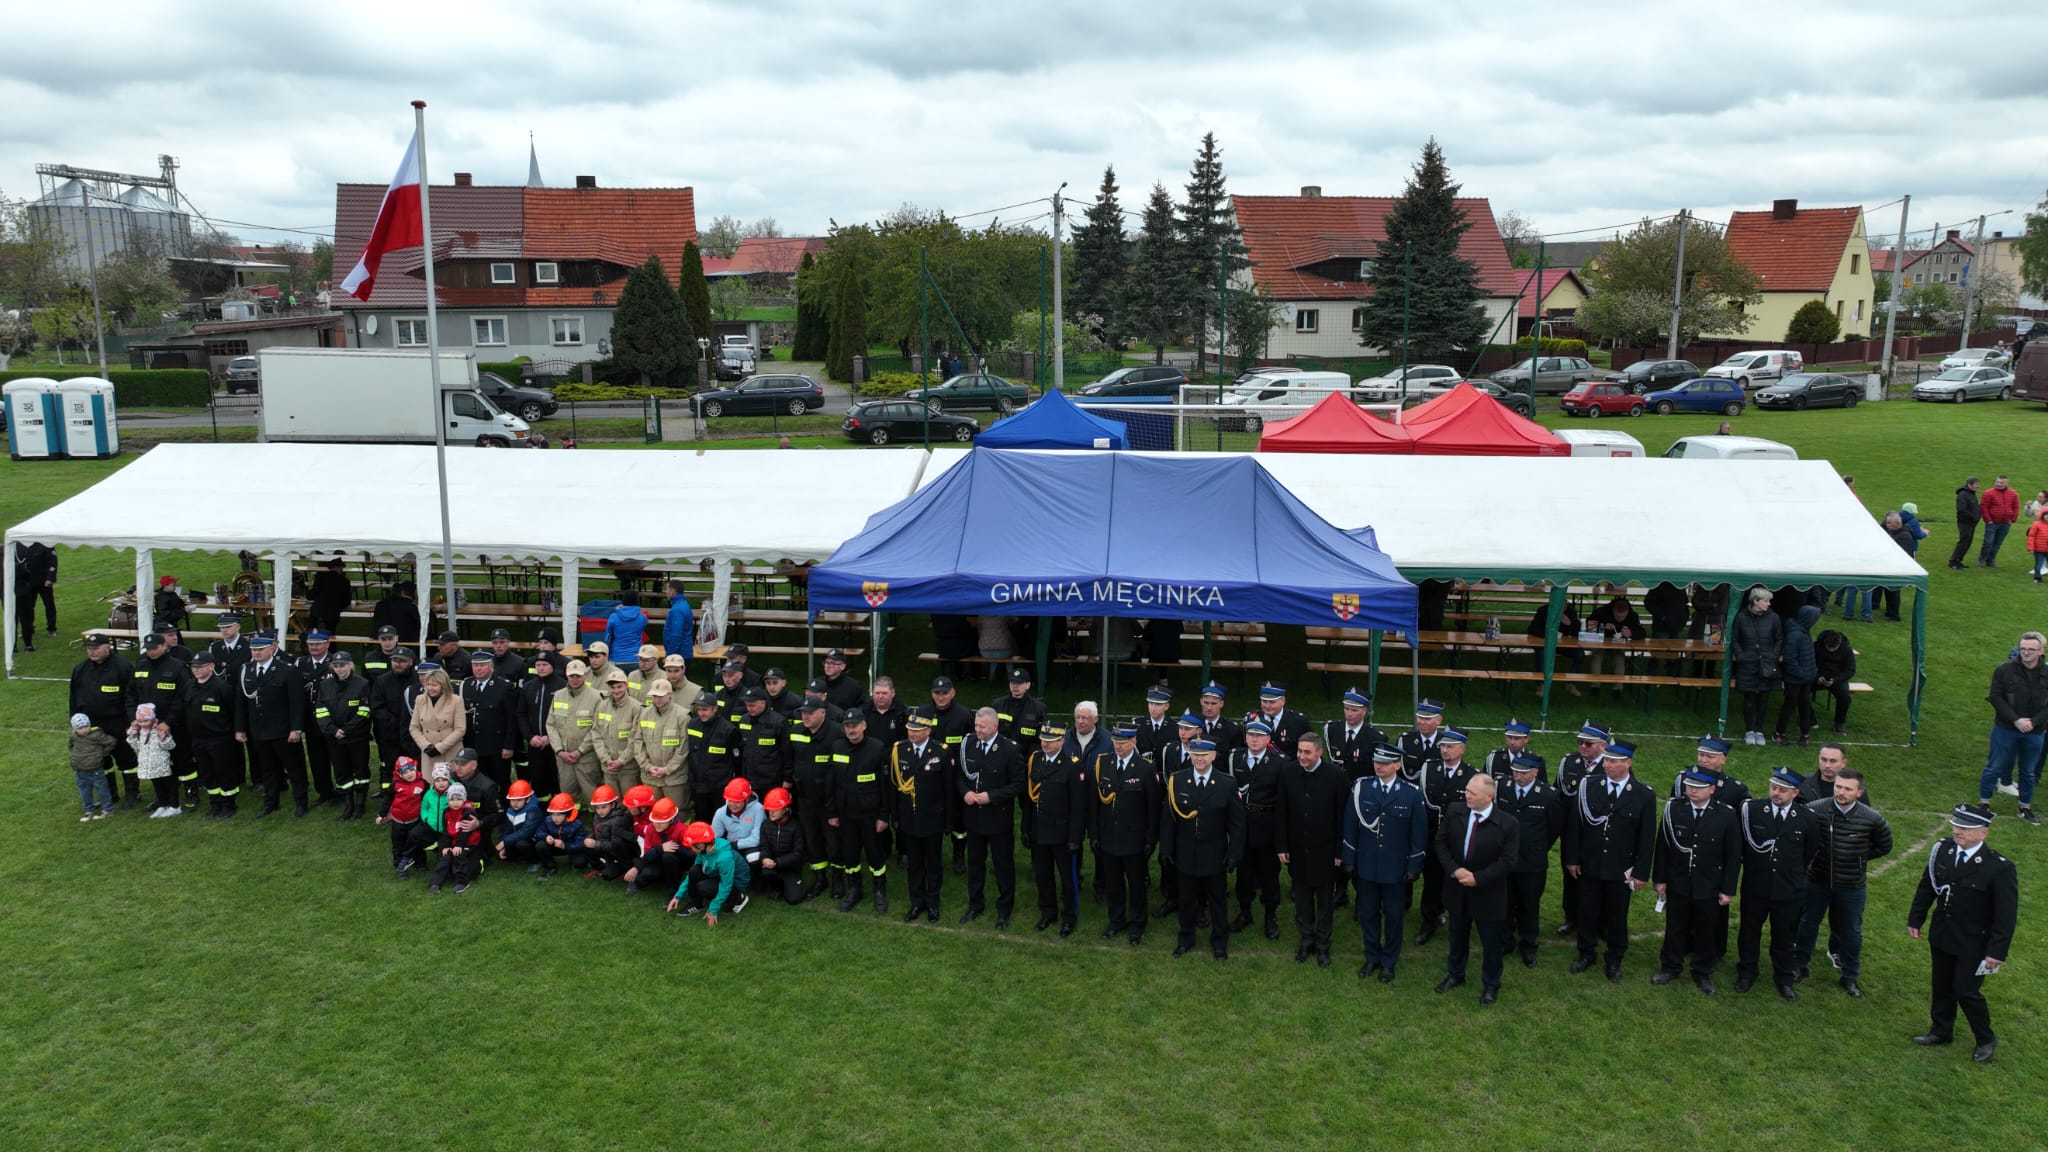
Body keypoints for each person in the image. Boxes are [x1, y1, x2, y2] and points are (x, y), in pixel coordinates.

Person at [1908, 803, 2018, 1064]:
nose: (1958, 831)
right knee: (1942, 985)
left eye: (1966, 828)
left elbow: (2005, 915)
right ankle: (1941, 1030)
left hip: (1974, 941)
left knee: (1966, 991)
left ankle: (1985, 1039)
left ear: (1983, 833)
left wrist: (1997, 951)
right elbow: (1928, 887)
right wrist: (1916, 918)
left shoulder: (1999, 867)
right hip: (1943, 933)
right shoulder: (1944, 851)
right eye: (1956, 825)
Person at [1794, 767, 1891, 997]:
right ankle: (1799, 966)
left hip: (1851, 886)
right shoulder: (1815, 809)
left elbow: (1884, 846)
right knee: (1807, 924)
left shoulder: (1872, 818)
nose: (1841, 792)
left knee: (1851, 932)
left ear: (1859, 792)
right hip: (1816, 880)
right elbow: (1800, 838)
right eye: (1838, 787)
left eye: (1848, 789)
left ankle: (1849, 976)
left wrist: (1857, 858)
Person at [1565, 741, 1657, 982]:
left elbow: (1646, 838)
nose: (1608, 765)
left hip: (1620, 869)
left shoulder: (1643, 795)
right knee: (1587, 911)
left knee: (1617, 916)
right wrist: (1572, 859)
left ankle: (1614, 959)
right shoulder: (1589, 786)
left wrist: (1640, 873)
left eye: (1614, 761)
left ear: (1628, 763)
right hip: (1590, 864)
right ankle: (1586, 953)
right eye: (1606, 760)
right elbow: (1575, 825)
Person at [1652, 769, 1741, 995]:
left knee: (1706, 929)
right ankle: (1670, 966)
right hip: (1679, 880)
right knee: (1675, 926)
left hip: (1709, 884)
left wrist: (1727, 889)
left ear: (1711, 789)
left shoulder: (1726, 815)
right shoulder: (1674, 809)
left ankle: (1702, 971)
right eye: (1689, 786)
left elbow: (1733, 856)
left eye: (1698, 787)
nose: (1692, 790)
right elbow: (1663, 847)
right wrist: (1660, 879)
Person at [1343, 744, 1427, 982]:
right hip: (1367, 865)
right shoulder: (1361, 788)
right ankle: (1372, 957)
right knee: (1368, 914)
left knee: (1394, 917)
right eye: (1376, 762)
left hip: (1395, 869)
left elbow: (1418, 834)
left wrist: (1414, 866)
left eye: (1384, 763)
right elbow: (1350, 825)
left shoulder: (1411, 794)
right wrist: (1349, 858)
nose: (1378, 766)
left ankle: (1389, 961)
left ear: (1397, 765)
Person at [1435, 774, 1519, 1004]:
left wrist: (1478, 878)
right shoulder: (1455, 811)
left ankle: (1491, 984)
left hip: (1488, 894)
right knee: (1457, 937)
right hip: (1457, 888)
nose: (1467, 795)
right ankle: (1455, 974)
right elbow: (1440, 843)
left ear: (1489, 797)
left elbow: (1508, 861)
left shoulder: (1507, 823)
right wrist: (1455, 870)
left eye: (1473, 793)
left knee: (1491, 943)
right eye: (1466, 790)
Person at [1736, 766, 1818, 1000]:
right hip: (1756, 886)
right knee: (1749, 932)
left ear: (1795, 793)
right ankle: (1746, 973)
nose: (1776, 793)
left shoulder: (1808, 818)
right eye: (1773, 787)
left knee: (1784, 937)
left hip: (1788, 890)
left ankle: (1784, 978)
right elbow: (1742, 846)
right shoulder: (1752, 810)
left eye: (1782, 790)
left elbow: (1809, 852)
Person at [1161, 738, 1245, 960]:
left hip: (1215, 854)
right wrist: (1166, 850)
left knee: (1217, 901)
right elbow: (1169, 820)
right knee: (1186, 900)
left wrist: (1234, 853)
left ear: (1213, 756)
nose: (1199, 758)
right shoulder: (1177, 781)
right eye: (1195, 754)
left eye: (1204, 754)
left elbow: (1237, 823)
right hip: (1185, 853)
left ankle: (1219, 942)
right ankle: (1185, 938)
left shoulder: (1227, 783)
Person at [1092, 718, 1160, 945]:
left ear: (1134, 741)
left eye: (1123, 741)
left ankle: (1138, 924)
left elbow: (1153, 807)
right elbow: (1095, 803)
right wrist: (1095, 834)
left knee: (1136, 884)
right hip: (1109, 836)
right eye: (1115, 741)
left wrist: (1151, 838)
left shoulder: (1145, 768)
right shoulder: (1104, 763)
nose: (1118, 746)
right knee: (1113, 883)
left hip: (1134, 838)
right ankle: (1116, 920)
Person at [957, 706, 1022, 928]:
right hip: (973, 818)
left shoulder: (1010, 749)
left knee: (1003, 866)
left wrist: (991, 797)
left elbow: (1018, 784)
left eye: (982, 727)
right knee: (975, 865)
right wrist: (965, 793)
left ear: (995, 726)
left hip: (998, 819)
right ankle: (975, 905)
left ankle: (1004, 910)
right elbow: (960, 775)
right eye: (976, 725)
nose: (978, 730)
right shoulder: (969, 744)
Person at [1497, 751, 1563, 968]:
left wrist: (1537, 848)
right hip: (1506, 859)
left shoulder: (1549, 796)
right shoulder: (1502, 787)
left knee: (1529, 905)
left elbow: (1553, 828)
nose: (1517, 776)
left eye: (1523, 773)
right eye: (1515, 771)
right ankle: (1505, 941)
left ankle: (1528, 945)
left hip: (1532, 863)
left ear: (1535, 772)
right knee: (1505, 903)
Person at [1021, 722, 1085, 936]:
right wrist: (1025, 828)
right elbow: (1029, 800)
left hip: (1062, 834)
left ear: (1061, 741)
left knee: (1068, 880)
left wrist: (1075, 838)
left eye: (1050, 741)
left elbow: (1078, 806)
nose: (1045, 744)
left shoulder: (1072, 765)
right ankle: (1048, 913)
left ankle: (1069, 917)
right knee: (1043, 876)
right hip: (1039, 831)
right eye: (1043, 740)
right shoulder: (1035, 760)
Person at [1978, 631, 2048, 825]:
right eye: (2023, 648)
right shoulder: (2004, 670)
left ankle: (2025, 807)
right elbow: (1995, 697)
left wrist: (2034, 722)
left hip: (2034, 731)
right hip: (2005, 728)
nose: (2026, 653)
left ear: (2041, 651)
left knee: (2028, 771)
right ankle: (1984, 804)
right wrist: (2016, 720)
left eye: (2031, 649)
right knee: (1993, 767)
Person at [827, 709, 892, 914]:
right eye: (847, 726)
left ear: (864, 726)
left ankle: (880, 890)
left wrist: (883, 816)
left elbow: (885, 787)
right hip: (846, 814)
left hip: (870, 814)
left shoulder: (877, 748)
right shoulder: (837, 747)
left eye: (855, 726)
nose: (851, 730)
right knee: (850, 855)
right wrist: (832, 812)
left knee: (875, 855)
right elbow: (831, 782)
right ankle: (855, 889)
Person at [237, 632, 307, 819]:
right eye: (254, 649)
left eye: (261, 649)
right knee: (267, 770)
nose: (257, 653)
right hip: (259, 730)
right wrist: (240, 728)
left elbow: (297, 702)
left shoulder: (287, 669)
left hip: (283, 730)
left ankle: (301, 803)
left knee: (294, 769)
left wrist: (296, 728)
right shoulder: (247, 670)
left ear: (272, 648)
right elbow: (241, 702)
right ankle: (271, 803)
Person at [891, 710, 952, 924]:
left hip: (933, 818)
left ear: (928, 731)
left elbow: (948, 790)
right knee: (914, 864)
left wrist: (948, 821)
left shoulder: (941, 751)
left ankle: (933, 903)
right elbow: (894, 787)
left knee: (933, 864)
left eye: (917, 730)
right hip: (909, 818)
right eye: (909, 729)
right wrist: (895, 816)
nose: (912, 733)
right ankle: (917, 902)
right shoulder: (899, 749)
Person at [1228, 719, 1285, 940]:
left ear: (1268, 739)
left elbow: (1283, 800)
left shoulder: (1279, 763)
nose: (1254, 739)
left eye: (1259, 736)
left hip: (1267, 825)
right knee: (1243, 872)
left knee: (1269, 873)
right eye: (1251, 735)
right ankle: (1245, 912)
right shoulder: (1235, 758)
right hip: (1242, 825)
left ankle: (1270, 915)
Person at [68, 633, 136, 808]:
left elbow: (131, 695)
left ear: (108, 647)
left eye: (96, 648)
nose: (92, 651)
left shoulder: (122, 667)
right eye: (89, 648)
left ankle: (132, 794)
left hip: (118, 722)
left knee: (126, 759)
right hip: (92, 725)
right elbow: (74, 697)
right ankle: (110, 795)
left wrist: (131, 721)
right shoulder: (81, 669)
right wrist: (74, 720)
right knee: (100, 761)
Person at [1553, 722, 1608, 935]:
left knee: (1597, 879)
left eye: (1588, 743)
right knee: (1571, 876)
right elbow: (1558, 796)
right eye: (1580, 742)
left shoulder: (1612, 765)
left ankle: (1598, 922)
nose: (1583, 746)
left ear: (1603, 745)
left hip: (1598, 835)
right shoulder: (1569, 762)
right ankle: (1572, 917)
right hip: (1570, 833)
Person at [789, 698, 841, 901]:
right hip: (805, 797)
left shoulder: (837, 733)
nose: (805, 716)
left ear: (823, 713)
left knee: (834, 843)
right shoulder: (796, 731)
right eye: (803, 713)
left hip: (829, 800)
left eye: (810, 713)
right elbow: (789, 758)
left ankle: (837, 878)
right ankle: (820, 878)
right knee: (812, 841)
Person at [316, 651, 375, 821]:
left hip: (357, 738)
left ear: (350, 665)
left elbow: (364, 711)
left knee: (361, 771)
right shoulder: (325, 685)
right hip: (334, 738)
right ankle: (348, 805)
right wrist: (333, 730)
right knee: (341, 772)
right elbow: (320, 710)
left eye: (342, 665)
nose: (339, 669)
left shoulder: (362, 684)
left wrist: (346, 730)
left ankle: (360, 805)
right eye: (336, 666)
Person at [182, 652, 241, 819]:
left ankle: (229, 805)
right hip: (198, 738)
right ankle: (215, 803)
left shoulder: (221, 687)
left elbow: (234, 712)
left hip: (219, 738)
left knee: (224, 772)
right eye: (193, 666)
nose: (196, 670)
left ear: (211, 666)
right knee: (207, 773)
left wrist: (237, 731)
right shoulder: (189, 685)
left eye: (200, 666)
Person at [667, 821, 751, 924]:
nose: (692, 849)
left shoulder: (724, 858)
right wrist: (678, 896)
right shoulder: (704, 850)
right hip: (717, 874)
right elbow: (692, 873)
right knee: (694, 871)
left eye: (694, 846)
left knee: (704, 887)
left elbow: (726, 884)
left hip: (735, 882)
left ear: (704, 843)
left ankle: (738, 898)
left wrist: (713, 908)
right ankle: (697, 903)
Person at [1731, 587, 1783, 746]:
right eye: (1766, 601)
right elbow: (1735, 639)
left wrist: (1773, 655)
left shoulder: (1773, 617)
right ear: (1755, 601)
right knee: (1749, 698)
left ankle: (1759, 730)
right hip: (1748, 664)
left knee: (1764, 698)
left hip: (1766, 664)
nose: (1769, 604)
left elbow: (1779, 639)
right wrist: (1741, 656)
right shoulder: (1741, 617)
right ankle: (1749, 730)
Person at [546, 659, 603, 801]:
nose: (575, 679)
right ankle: (573, 814)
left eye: (578, 676)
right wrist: (559, 751)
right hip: (564, 758)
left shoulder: (596, 697)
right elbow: (551, 725)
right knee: (567, 794)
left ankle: (593, 814)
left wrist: (580, 751)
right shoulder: (558, 695)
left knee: (592, 794)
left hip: (587, 757)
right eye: (572, 676)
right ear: (567, 675)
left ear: (585, 675)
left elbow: (598, 728)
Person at [586, 667, 643, 797]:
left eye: (619, 686)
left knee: (630, 801)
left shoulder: (636, 708)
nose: (616, 690)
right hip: (608, 767)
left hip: (628, 768)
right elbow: (596, 735)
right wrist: (605, 759)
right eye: (612, 687)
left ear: (626, 685)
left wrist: (621, 760)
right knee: (612, 801)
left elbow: (636, 739)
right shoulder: (602, 706)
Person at [635, 679, 692, 810]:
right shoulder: (644, 714)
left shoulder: (682, 716)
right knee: (653, 810)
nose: (657, 699)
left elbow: (683, 748)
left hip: (674, 779)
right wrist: (647, 766)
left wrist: (667, 769)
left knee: (677, 811)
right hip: (650, 777)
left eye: (661, 696)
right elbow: (638, 742)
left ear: (670, 694)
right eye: (654, 696)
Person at [515, 650, 564, 797]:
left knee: (557, 779)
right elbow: (521, 713)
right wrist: (530, 737)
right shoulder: (529, 686)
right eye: (538, 665)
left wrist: (551, 737)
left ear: (552, 666)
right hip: (534, 744)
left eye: (545, 664)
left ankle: (558, 807)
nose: (541, 668)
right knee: (538, 780)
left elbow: (565, 718)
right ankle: (542, 807)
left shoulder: (562, 686)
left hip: (556, 744)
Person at [1773, 605, 1820, 746]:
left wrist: (1811, 672)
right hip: (1795, 679)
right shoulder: (1795, 635)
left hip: (1806, 677)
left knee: (1804, 705)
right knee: (1789, 705)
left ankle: (1805, 734)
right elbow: (1790, 659)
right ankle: (1779, 733)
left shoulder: (1805, 632)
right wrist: (1802, 673)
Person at [374, 756, 428, 877]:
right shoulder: (395, 785)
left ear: (416, 769)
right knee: (398, 844)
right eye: (405, 772)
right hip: (398, 822)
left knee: (416, 843)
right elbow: (387, 800)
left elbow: (428, 798)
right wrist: (381, 814)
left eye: (411, 770)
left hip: (414, 821)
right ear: (399, 774)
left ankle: (420, 864)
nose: (409, 774)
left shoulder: (422, 783)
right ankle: (399, 866)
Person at [430, 782, 482, 895]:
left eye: (459, 799)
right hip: (454, 842)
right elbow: (445, 831)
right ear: (448, 800)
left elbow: (465, 831)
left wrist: (459, 845)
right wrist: (445, 846)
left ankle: (462, 882)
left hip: (468, 842)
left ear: (464, 799)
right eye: (452, 799)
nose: (455, 802)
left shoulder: (468, 812)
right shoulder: (446, 812)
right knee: (445, 857)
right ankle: (435, 883)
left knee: (460, 855)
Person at [755, 788, 806, 903]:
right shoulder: (765, 824)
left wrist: (777, 862)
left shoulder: (796, 825)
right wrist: (765, 858)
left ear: (785, 809)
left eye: (775, 809)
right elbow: (764, 846)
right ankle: (778, 887)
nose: (771, 812)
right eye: (769, 809)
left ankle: (788, 884)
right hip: (773, 865)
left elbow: (798, 853)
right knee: (765, 873)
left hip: (791, 867)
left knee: (794, 899)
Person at [407, 664, 464, 765]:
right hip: (429, 753)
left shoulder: (456, 700)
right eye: (428, 684)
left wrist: (440, 748)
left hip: (450, 752)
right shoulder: (420, 700)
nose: (430, 688)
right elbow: (414, 727)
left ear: (443, 685)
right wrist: (425, 746)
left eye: (434, 685)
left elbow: (460, 729)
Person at [580, 783, 637, 880]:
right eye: (597, 808)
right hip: (603, 849)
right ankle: (597, 868)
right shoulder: (597, 816)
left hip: (616, 854)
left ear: (613, 805)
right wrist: (589, 838)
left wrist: (596, 844)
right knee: (585, 845)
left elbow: (615, 845)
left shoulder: (618, 820)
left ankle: (624, 869)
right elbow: (595, 831)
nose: (600, 811)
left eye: (603, 807)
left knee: (608, 875)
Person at [711, 777, 766, 874]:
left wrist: (735, 845)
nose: (732, 805)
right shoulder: (720, 812)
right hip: (730, 847)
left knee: (754, 857)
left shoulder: (758, 809)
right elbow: (714, 837)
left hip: (752, 846)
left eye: (737, 802)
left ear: (747, 799)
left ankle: (755, 878)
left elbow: (757, 839)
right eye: (730, 800)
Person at [69, 712, 116, 821]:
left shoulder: (97, 735)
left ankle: (107, 810)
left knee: (102, 790)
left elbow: (111, 742)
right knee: (84, 791)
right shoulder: (74, 737)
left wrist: (103, 754)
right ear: (75, 729)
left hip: (95, 769)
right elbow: (71, 746)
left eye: (86, 726)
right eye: (80, 728)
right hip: (80, 770)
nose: (84, 730)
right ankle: (88, 810)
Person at [991, 667, 1044, 760]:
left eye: (1019, 683)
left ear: (1028, 685)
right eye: (1012, 682)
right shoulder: (998, 704)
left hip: (1025, 758)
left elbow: (1040, 739)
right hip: (1000, 756)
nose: (1015, 686)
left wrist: (1029, 758)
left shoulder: (1038, 708)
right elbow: (990, 732)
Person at [1247, 682, 1311, 759]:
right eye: (1264, 701)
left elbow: (1311, 748)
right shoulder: (1251, 719)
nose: (1267, 706)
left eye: (1272, 702)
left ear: (1283, 701)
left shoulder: (1298, 722)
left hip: (1289, 765)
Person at [530, 791, 586, 879]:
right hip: (554, 846)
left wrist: (565, 846)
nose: (555, 818)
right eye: (553, 814)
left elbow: (580, 843)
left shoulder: (577, 824)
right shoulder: (548, 820)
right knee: (540, 845)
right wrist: (546, 837)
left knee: (580, 863)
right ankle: (550, 867)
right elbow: (538, 832)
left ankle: (574, 862)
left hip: (570, 848)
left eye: (559, 815)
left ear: (567, 814)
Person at [495, 778, 546, 871]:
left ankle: (536, 861)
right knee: (502, 853)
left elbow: (525, 832)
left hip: (535, 840)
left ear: (528, 799)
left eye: (519, 800)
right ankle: (520, 855)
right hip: (518, 837)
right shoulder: (510, 810)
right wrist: (503, 844)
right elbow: (507, 829)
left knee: (521, 844)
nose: (515, 803)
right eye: (513, 800)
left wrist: (505, 842)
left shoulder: (533, 811)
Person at [1815, 629, 1857, 737]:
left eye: (1834, 648)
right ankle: (1810, 719)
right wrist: (1817, 676)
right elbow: (1810, 663)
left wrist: (1836, 679)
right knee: (1800, 690)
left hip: (1838, 679)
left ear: (1839, 643)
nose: (1831, 650)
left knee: (1845, 698)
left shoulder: (1847, 650)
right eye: (1828, 647)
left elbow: (1850, 670)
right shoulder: (1816, 647)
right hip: (1818, 677)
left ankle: (1839, 723)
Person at [16, 541, 58, 640]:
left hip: (44, 582)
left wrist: (50, 578)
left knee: (49, 606)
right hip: (28, 582)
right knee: (28, 607)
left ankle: (51, 628)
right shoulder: (19, 544)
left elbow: (52, 561)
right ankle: (29, 629)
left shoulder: (45, 542)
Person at [1977, 474, 2020, 567]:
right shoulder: (1988, 493)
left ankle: (1990, 560)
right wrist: (1988, 520)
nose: (1999, 484)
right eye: (1997, 482)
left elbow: (2016, 507)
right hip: (1992, 523)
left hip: (2005, 523)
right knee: (1988, 542)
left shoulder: (2013, 493)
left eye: (2001, 482)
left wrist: (2012, 519)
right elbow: (1984, 507)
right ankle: (1982, 559)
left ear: (2006, 483)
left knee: (1997, 543)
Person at [1947, 475, 1982, 571]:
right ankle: (1953, 562)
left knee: (1967, 542)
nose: (1978, 486)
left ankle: (1958, 561)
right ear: (1969, 484)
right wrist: (1973, 517)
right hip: (1965, 523)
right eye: (1976, 484)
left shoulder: (1971, 493)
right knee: (1963, 542)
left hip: (1971, 523)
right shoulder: (1963, 495)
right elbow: (1961, 510)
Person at [308, 558, 351, 634]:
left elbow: (312, 594)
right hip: (332, 612)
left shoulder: (320, 577)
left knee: (312, 633)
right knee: (330, 634)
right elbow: (347, 601)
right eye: (341, 568)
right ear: (337, 568)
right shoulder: (344, 581)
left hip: (317, 610)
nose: (342, 570)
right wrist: (339, 606)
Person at [602, 590, 650, 657]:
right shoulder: (643, 618)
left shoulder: (613, 616)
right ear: (636, 600)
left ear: (623, 600)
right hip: (636, 656)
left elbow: (607, 636)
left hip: (616, 656)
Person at [661, 579, 695, 664]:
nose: (666, 592)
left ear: (672, 591)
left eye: (667, 589)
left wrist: (669, 654)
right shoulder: (683, 604)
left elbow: (676, 634)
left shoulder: (677, 610)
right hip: (684, 651)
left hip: (679, 654)